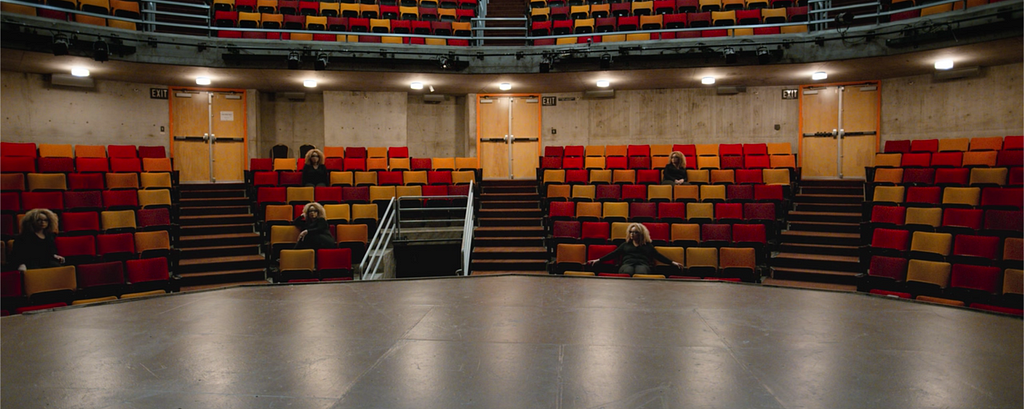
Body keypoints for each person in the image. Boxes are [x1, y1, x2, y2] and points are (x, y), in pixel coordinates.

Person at [587, 223, 682, 275]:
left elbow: (658, 256)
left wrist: (672, 262)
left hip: (642, 264)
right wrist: (599, 260)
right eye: (631, 232)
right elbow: (613, 254)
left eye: (635, 232)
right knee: (628, 272)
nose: (632, 234)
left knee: (641, 273)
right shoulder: (625, 245)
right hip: (628, 264)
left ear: (640, 234)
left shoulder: (647, 245)